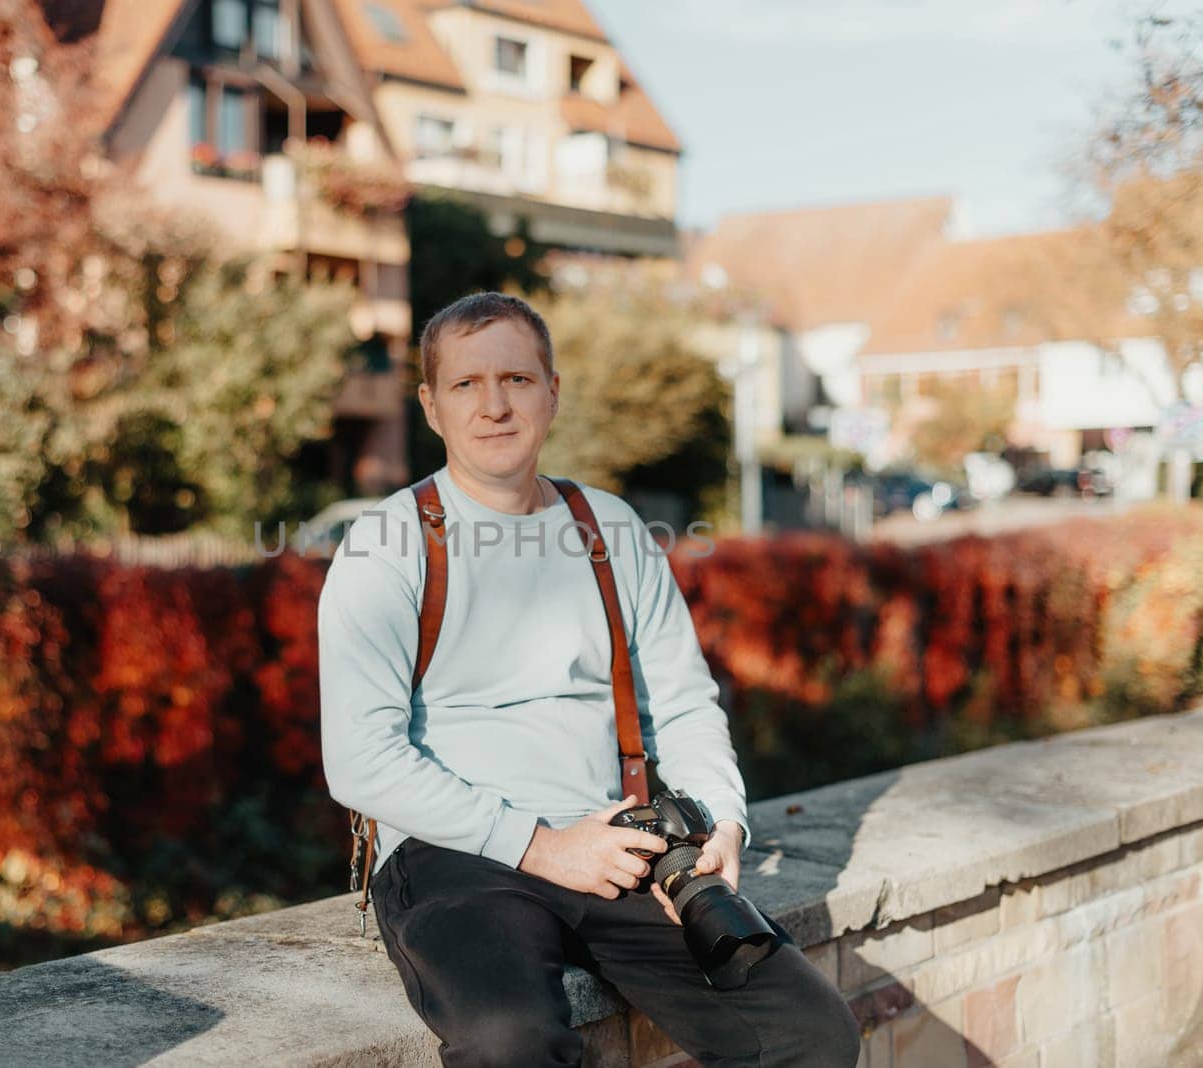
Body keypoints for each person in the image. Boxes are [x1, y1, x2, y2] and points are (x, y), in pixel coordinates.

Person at [317, 292, 861, 1068]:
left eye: (517, 379)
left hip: (614, 840)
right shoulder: (386, 544)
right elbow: (362, 761)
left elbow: (682, 702)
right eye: (467, 385)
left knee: (810, 1034)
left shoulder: (610, 528)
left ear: (552, 393)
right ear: (431, 407)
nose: (495, 405)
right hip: (454, 852)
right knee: (511, 1046)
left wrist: (724, 824)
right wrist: (539, 847)